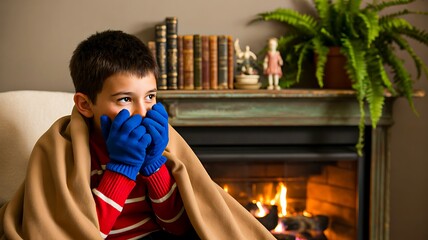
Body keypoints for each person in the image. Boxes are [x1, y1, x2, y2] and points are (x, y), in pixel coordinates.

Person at [0, 30, 275, 240]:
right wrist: (122, 168)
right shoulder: (60, 148)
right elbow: (82, 232)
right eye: (124, 100)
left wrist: (153, 164)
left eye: (150, 97)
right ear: (85, 104)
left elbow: (179, 226)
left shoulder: (160, 137)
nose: (142, 112)